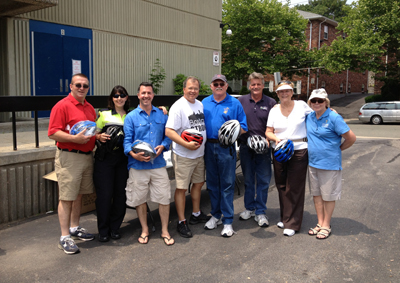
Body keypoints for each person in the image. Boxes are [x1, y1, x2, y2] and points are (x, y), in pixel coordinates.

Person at [48, 73, 96, 254]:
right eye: (78, 85)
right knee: (67, 196)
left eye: (85, 85)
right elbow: (53, 132)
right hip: (69, 156)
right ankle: (64, 236)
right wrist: (74, 139)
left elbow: (91, 130)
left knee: (79, 195)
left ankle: (75, 228)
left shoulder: (89, 107)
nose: (82, 88)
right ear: (71, 86)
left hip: (86, 156)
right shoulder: (62, 106)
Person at [123, 82, 174, 246]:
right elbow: (127, 141)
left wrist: (164, 146)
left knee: (164, 198)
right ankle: (144, 229)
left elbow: (168, 135)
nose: (146, 96)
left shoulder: (162, 114)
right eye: (143, 93)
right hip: (138, 166)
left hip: (158, 164)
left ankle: (165, 230)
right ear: (138, 95)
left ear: (153, 95)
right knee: (139, 199)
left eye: (149, 93)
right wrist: (133, 155)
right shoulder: (130, 117)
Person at [306, 89, 356, 239]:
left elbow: (351, 138)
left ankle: (327, 225)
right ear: (310, 102)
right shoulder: (309, 117)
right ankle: (320, 223)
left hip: (329, 164)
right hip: (313, 163)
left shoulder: (334, 117)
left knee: (328, 196)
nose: (316, 103)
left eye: (320, 101)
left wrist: (338, 149)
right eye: (314, 100)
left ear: (326, 102)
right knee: (317, 195)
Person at [202, 74, 248, 237]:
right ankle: (216, 215)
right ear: (211, 86)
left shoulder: (234, 103)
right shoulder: (204, 103)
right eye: (216, 83)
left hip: (226, 147)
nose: (219, 86)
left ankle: (228, 220)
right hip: (208, 146)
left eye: (222, 83)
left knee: (227, 185)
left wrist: (234, 132)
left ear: (227, 86)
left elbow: (243, 126)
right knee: (213, 184)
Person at [265, 81, 312, 237]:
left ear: (292, 92)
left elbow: (317, 114)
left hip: (299, 150)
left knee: (295, 186)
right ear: (277, 94)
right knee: (281, 185)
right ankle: (285, 218)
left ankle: (293, 223)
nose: (284, 94)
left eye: (287, 91)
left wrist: (329, 109)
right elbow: (268, 131)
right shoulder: (274, 111)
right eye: (281, 92)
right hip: (279, 151)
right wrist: (275, 139)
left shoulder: (301, 106)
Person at [165, 76, 209, 238]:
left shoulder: (200, 104)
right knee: (182, 188)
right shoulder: (178, 107)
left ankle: (196, 214)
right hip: (184, 154)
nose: (193, 91)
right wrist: (186, 144)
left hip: (199, 154)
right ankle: (181, 221)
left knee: (198, 184)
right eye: (190, 88)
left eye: (196, 88)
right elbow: (169, 131)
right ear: (184, 89)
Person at [237, 72, 276, 227]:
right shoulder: (241, 101)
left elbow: (276, 124)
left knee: (263, 180)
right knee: (247, 179)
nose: (255, 87)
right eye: (253, 84)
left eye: (258, 84)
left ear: (263, 84)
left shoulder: (271, 102)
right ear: (249, 85)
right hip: (246, 146)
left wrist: (267, 140)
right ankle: (249, 208)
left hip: (264, 147)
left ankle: (260, 211)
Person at [93, 86, 130, 242]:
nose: (119, 98)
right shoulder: (103, 114)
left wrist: (162, 108)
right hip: (105, 159)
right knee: (105, 195)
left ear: (127, 98)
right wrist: (98, 136)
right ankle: (103, 230)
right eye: (116, 95)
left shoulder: (131, 115)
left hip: (123, 159)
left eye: (122, 95)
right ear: (112, 98)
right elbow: (93, 133)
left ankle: (115, 228)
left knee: (120, 195)